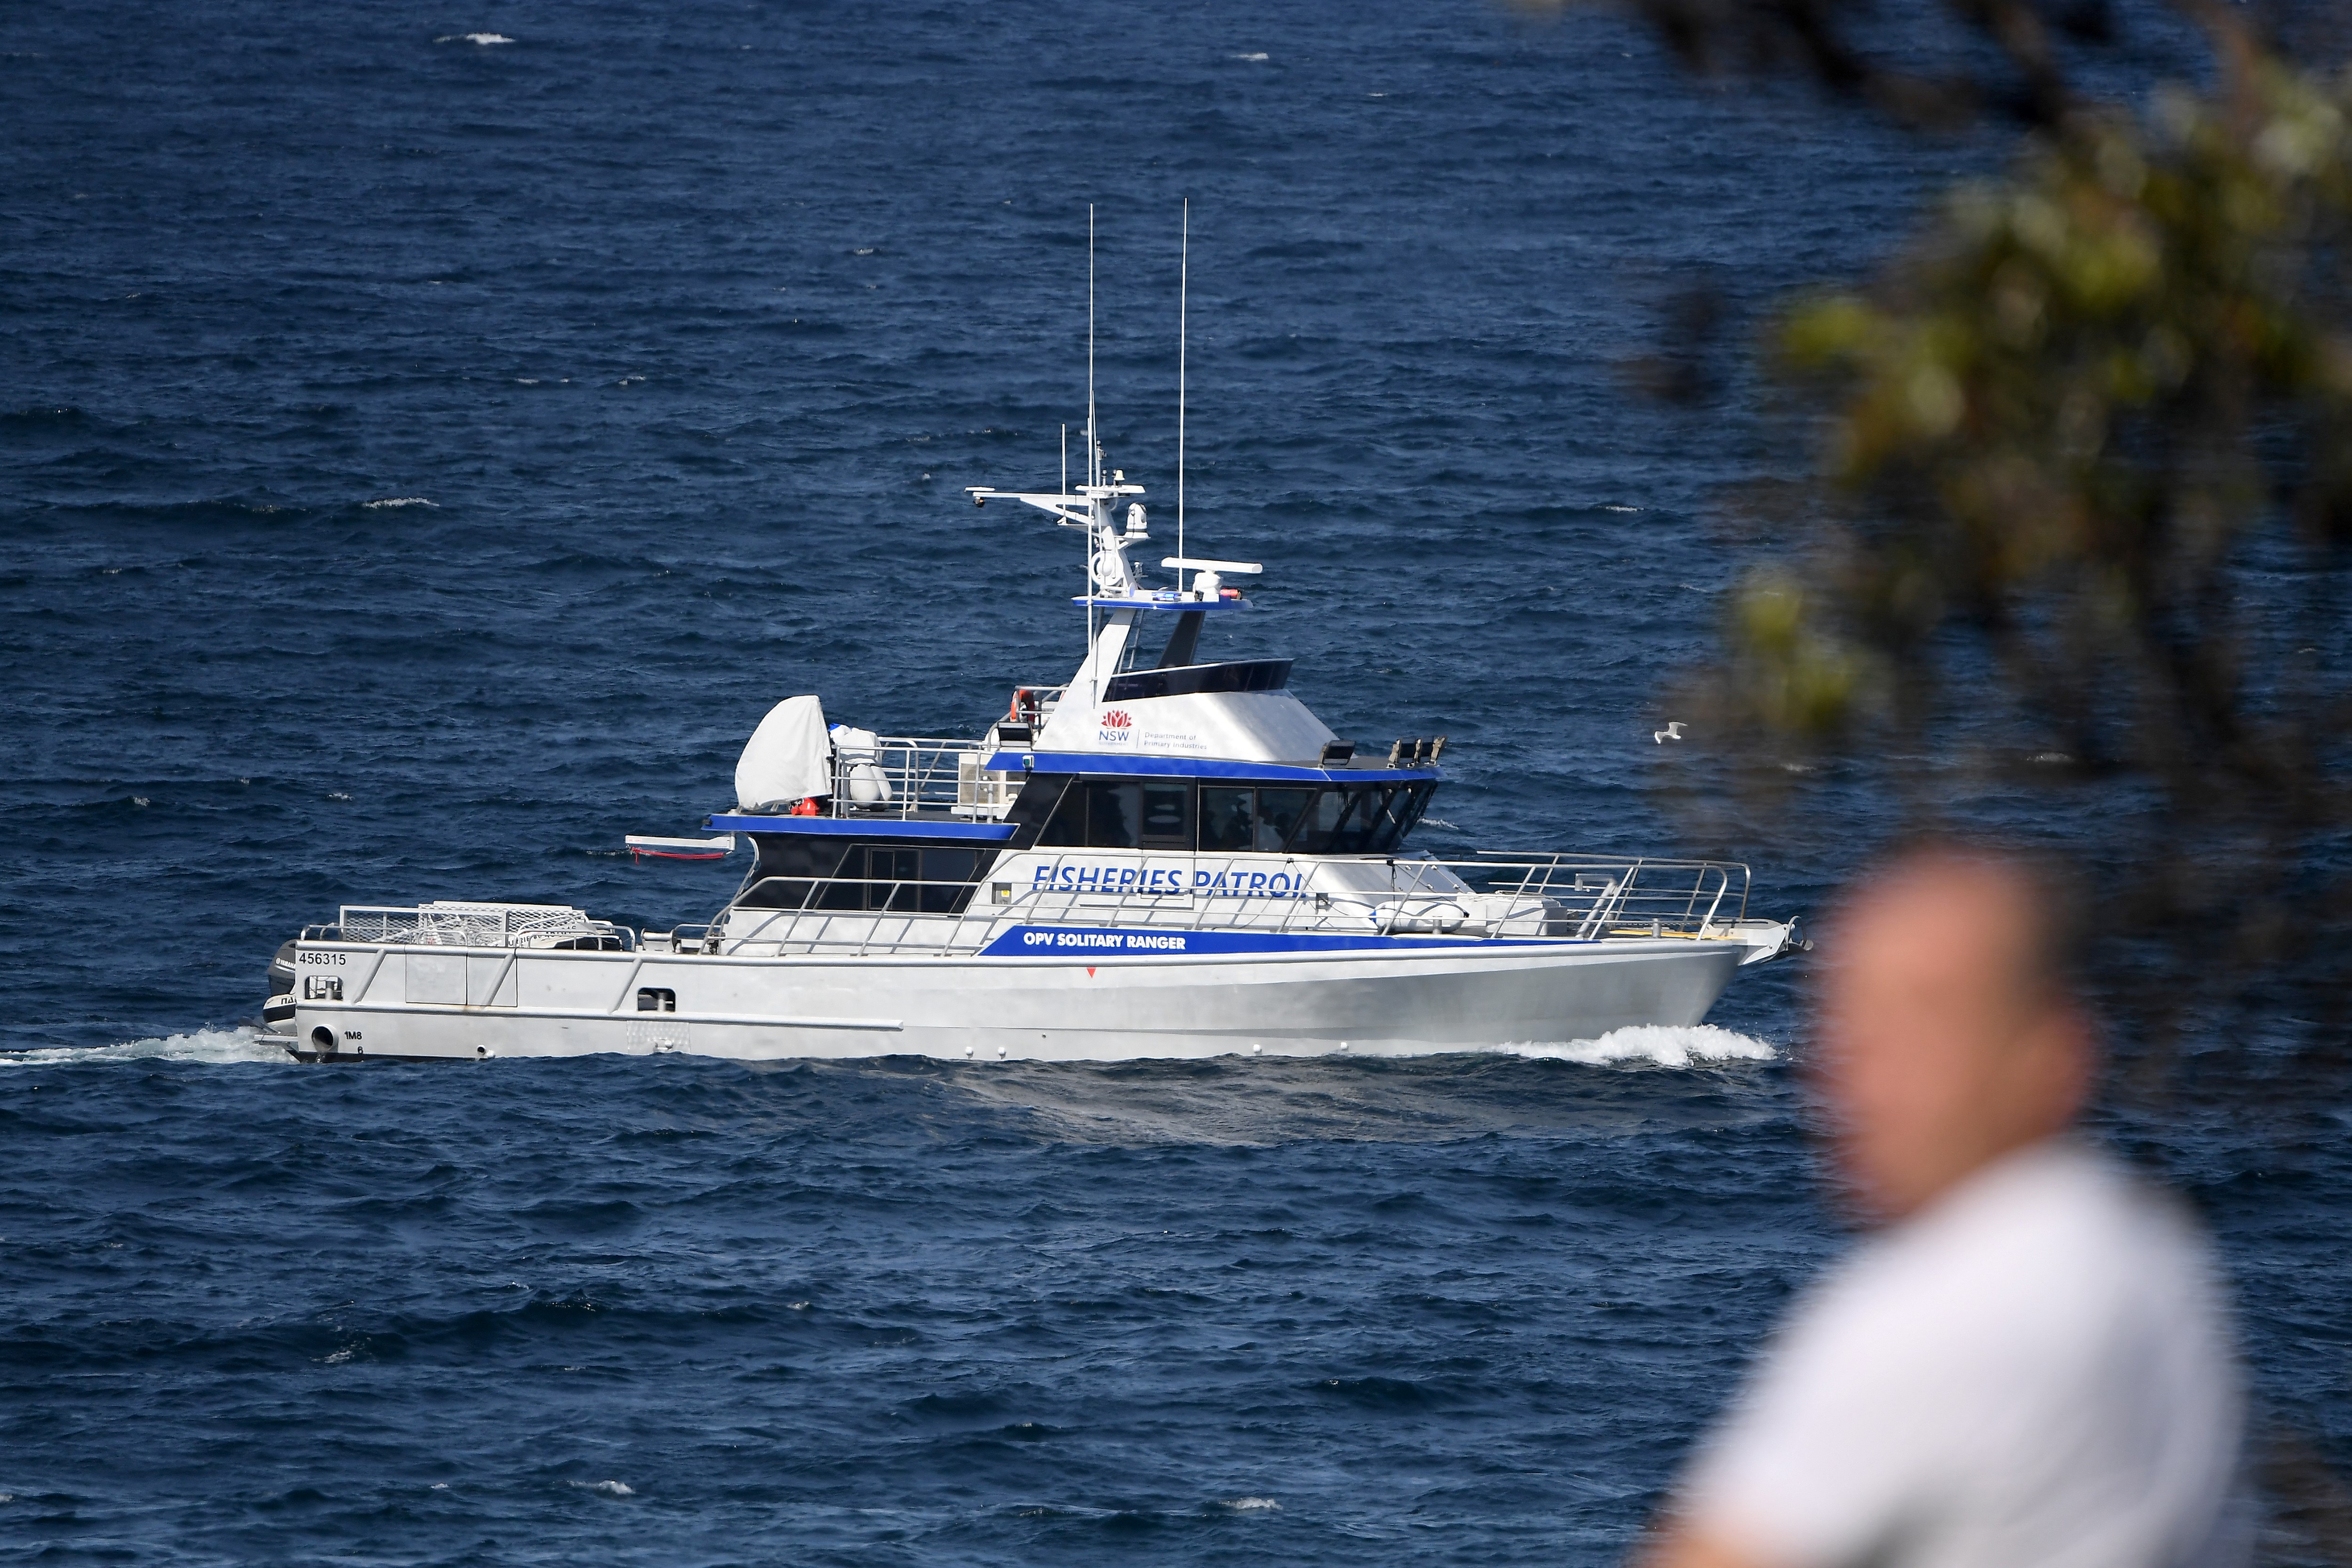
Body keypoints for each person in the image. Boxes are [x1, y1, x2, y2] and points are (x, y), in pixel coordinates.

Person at [1641, 844, 2248, 1568]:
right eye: (1844, 1021)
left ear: (2054, 1051)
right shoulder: (2158, 1259)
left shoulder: (1950, 1309)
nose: (1854, 1072)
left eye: (1921, 1025)